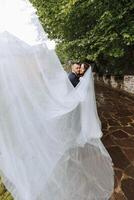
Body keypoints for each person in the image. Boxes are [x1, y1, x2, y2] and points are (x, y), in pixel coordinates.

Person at [0, 1, 114, 200]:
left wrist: (75, 77)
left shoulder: (46, 81)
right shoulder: (21, 89)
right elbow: (60, 92)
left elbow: (61, 89)